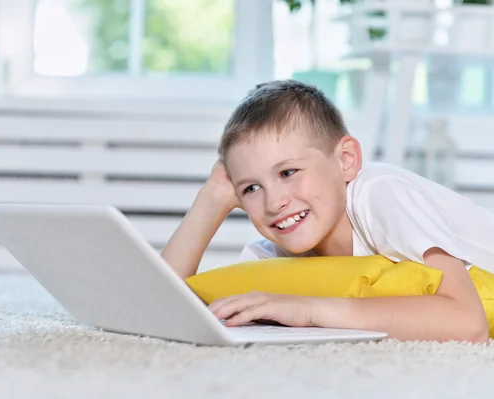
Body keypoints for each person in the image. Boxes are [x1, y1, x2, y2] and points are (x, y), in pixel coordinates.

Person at [161, 79, 494, 343]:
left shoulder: (381, 194)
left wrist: (308, 310)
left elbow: (468, 323)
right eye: (250, 188)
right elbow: (161, 306)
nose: (274, 203)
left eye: (288, 173)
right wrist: (212, 200)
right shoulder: (280, 255)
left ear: (345, 160)